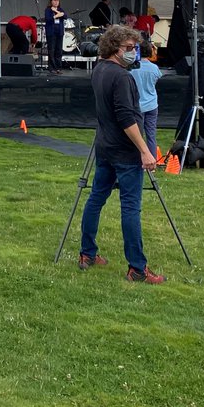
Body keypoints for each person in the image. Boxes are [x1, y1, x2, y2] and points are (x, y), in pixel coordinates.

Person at [79, 25, 164, 283]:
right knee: (130, 207)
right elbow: (127, 119)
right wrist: (145, 151)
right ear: (115, 49)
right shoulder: (121, 77)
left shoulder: (99, 69)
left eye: (135, 47)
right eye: (129, 48)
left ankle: (87, 253)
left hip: (104, 147)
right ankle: (137, 268)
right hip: (125, 151)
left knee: (96, 198)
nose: (134, 52)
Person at [129, 39, 162, 156]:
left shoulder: (132, 68)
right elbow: (156, 79)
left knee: (137, 135)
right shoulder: (154, 68)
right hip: (152, 104)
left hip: (138, 105)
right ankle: (152, 159)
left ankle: (138, 159)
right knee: (151, 135)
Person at [45, 0, 67, 74]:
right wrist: (56, 16)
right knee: (51, 50)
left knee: (59, 50)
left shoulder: (60, 9)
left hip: (59, 32)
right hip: (51, 33)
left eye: (57, 0)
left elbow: (65, 16)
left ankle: (58, 68)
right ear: (51, 1)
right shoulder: (48, 10)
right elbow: (48, 19)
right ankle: (52, 68)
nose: (56, 2)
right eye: (54, 0)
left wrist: (57, 12)